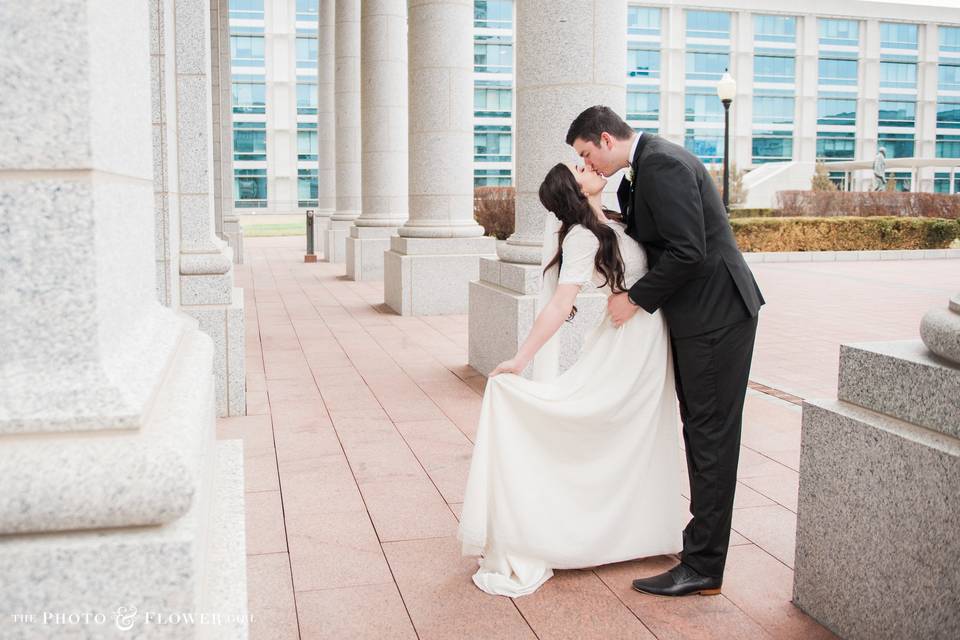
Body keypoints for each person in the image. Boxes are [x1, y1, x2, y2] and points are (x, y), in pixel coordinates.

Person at [457, 162, 686, 597]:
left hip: (647, 338)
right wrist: (521, 359)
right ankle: (577, 531)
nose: (589, 166)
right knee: (615, 435)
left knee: (639, 437)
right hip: (628, 344)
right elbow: (561, 305)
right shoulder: (582, 238)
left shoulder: (616, 220)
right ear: (574, 192)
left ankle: (637, 531)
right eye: (579, 168)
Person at [567, 106, 764, 597]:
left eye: (587, 154)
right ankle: (701, 553)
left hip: (716, 316)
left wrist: (633, 299)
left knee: (710, 439)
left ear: (606, 138)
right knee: (702, 434)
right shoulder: (647, 166)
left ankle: (703, 566)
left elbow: (687, 251)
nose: (588, 164)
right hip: (704, 316)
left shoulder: (662, 164)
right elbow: (653, 239)